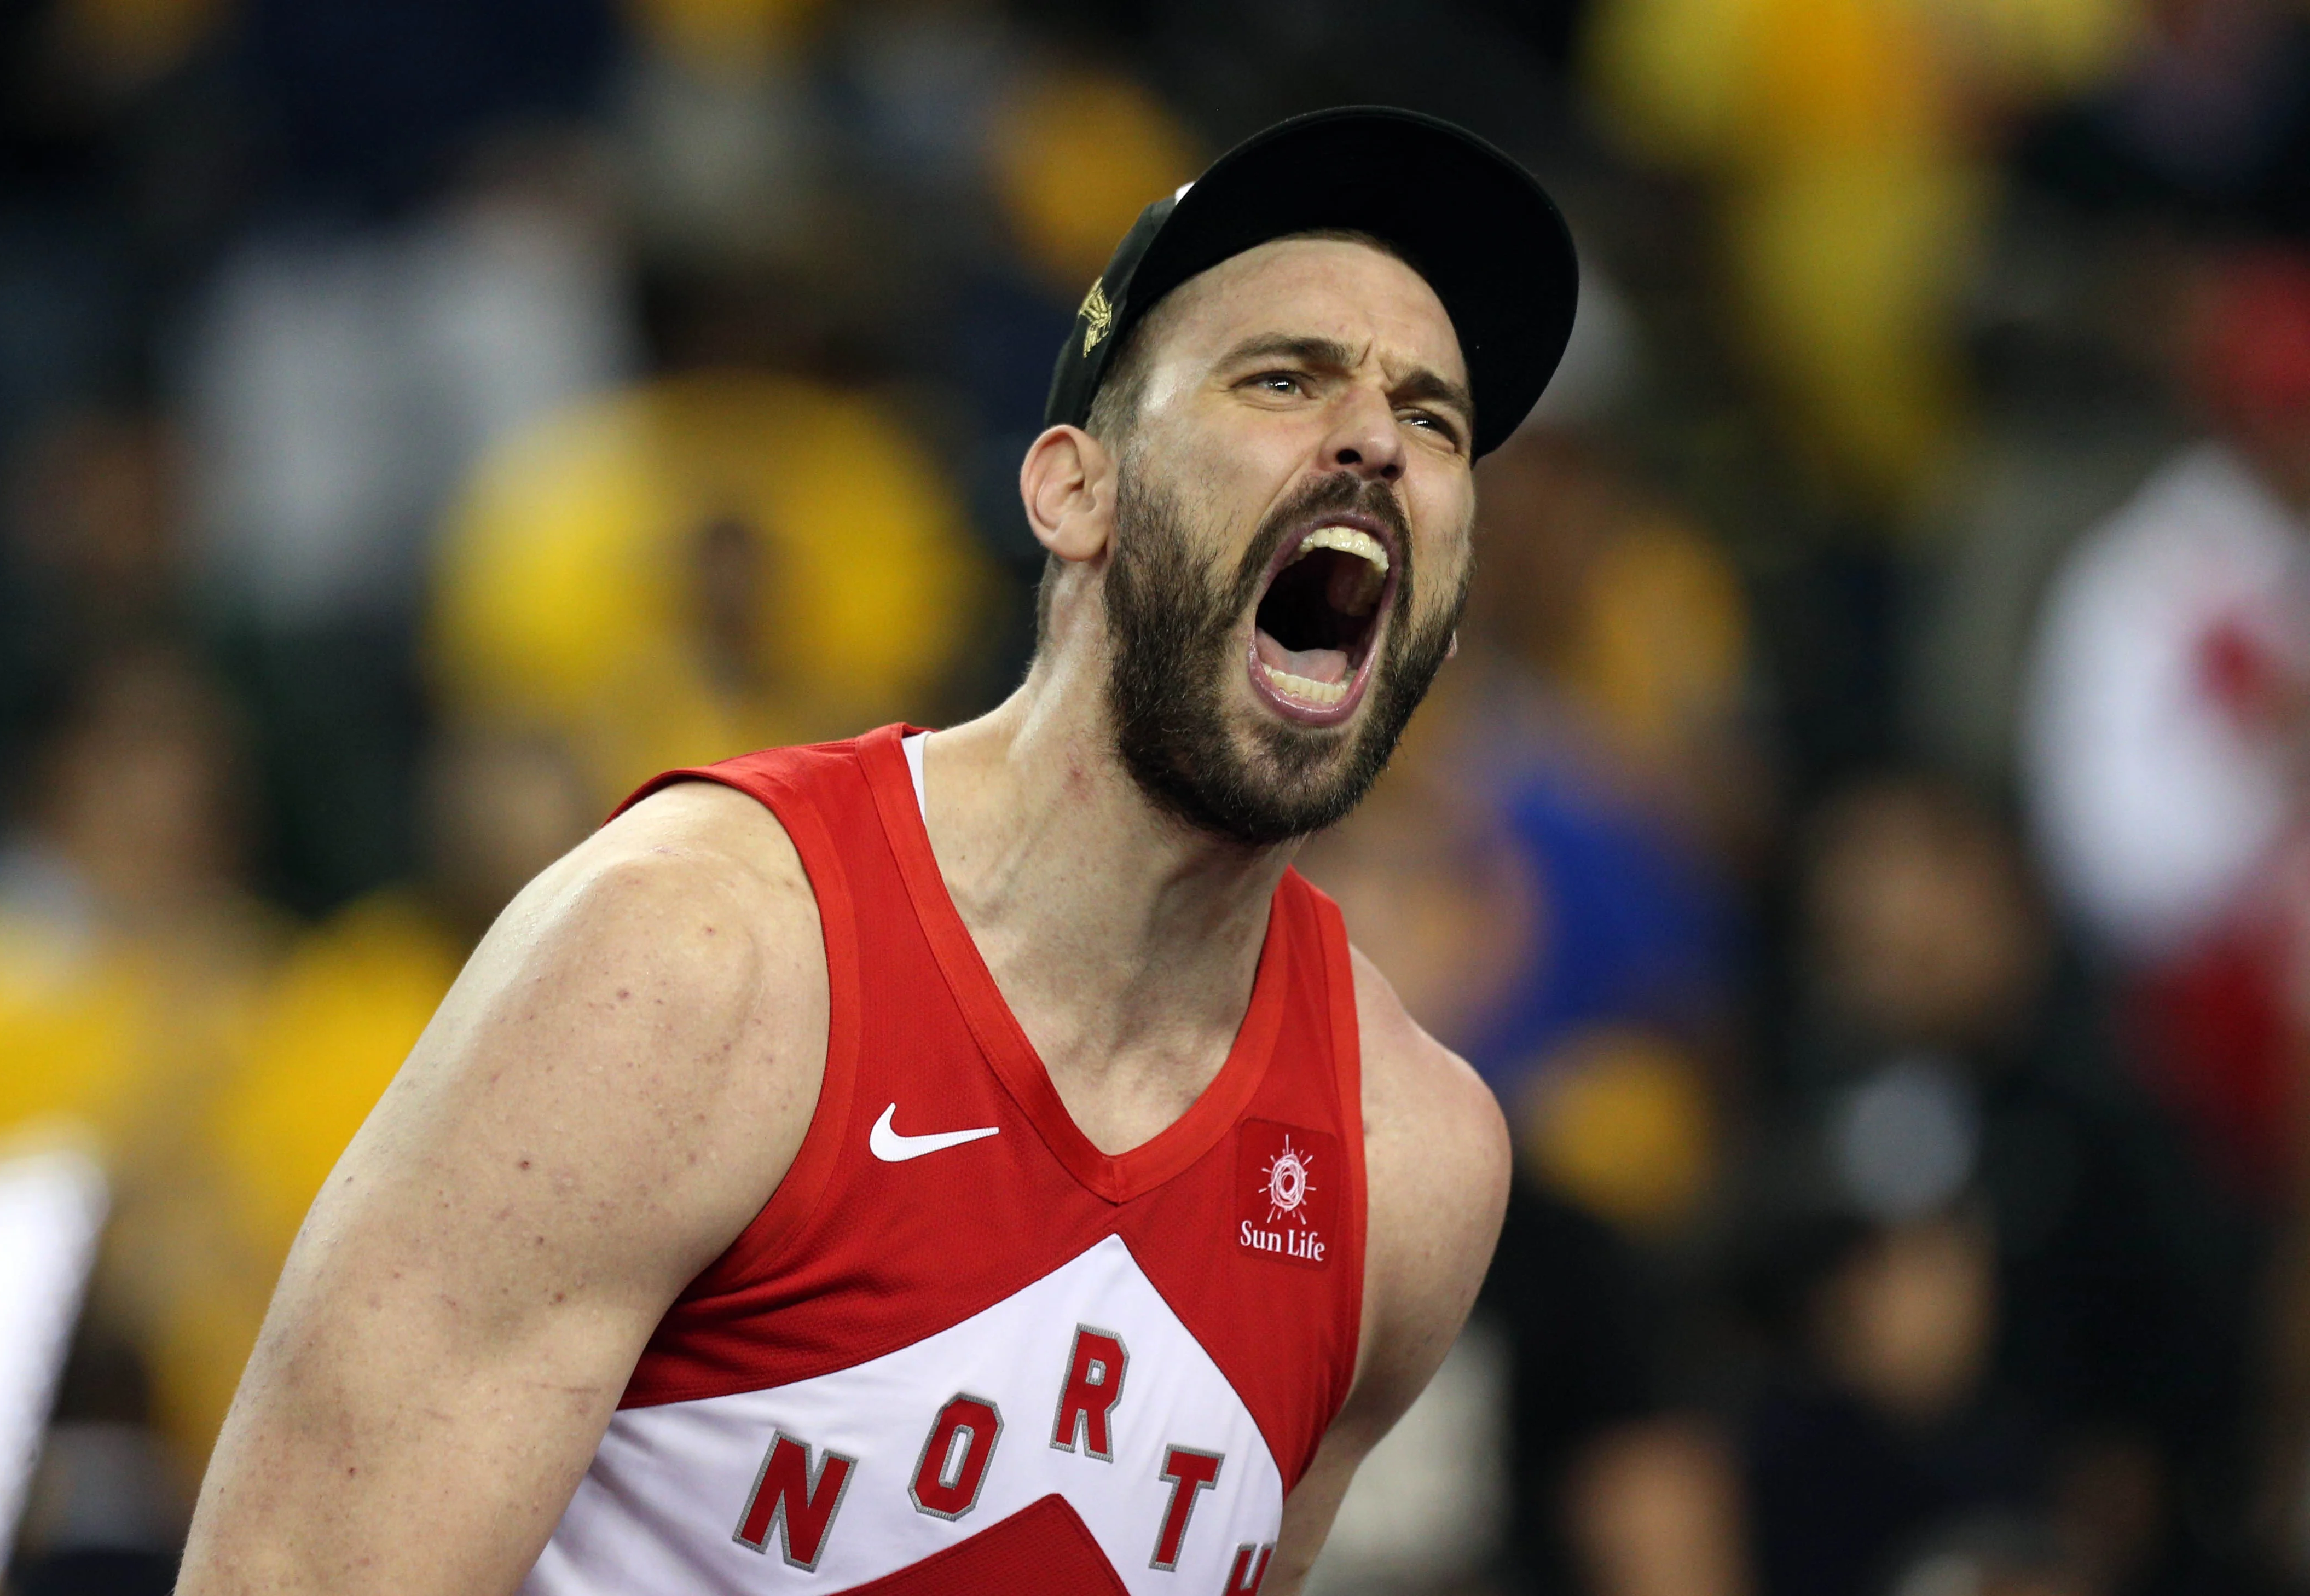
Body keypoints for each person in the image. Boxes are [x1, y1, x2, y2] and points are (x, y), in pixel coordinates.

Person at [177, 106, 1579, 1594]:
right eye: (1281, 377)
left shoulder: (1408, 1162)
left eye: (1432, 418)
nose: (1373, 433)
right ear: (1072, 490)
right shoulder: (692, 960)